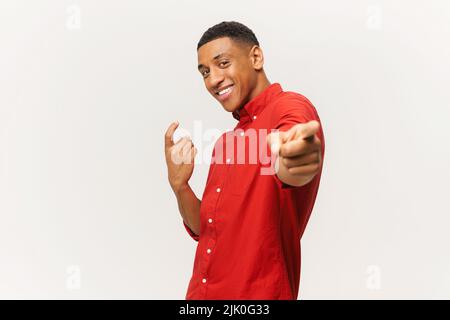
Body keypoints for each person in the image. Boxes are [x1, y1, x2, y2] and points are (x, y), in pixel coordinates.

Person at [164, 21, 325, 300]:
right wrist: (180, 186)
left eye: (223, 63)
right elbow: (208, 230)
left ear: (256, 58)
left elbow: (292, 152)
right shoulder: (225, 143)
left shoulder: (288, 107)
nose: (213, 79)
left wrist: (292, 160)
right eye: (205, 72)